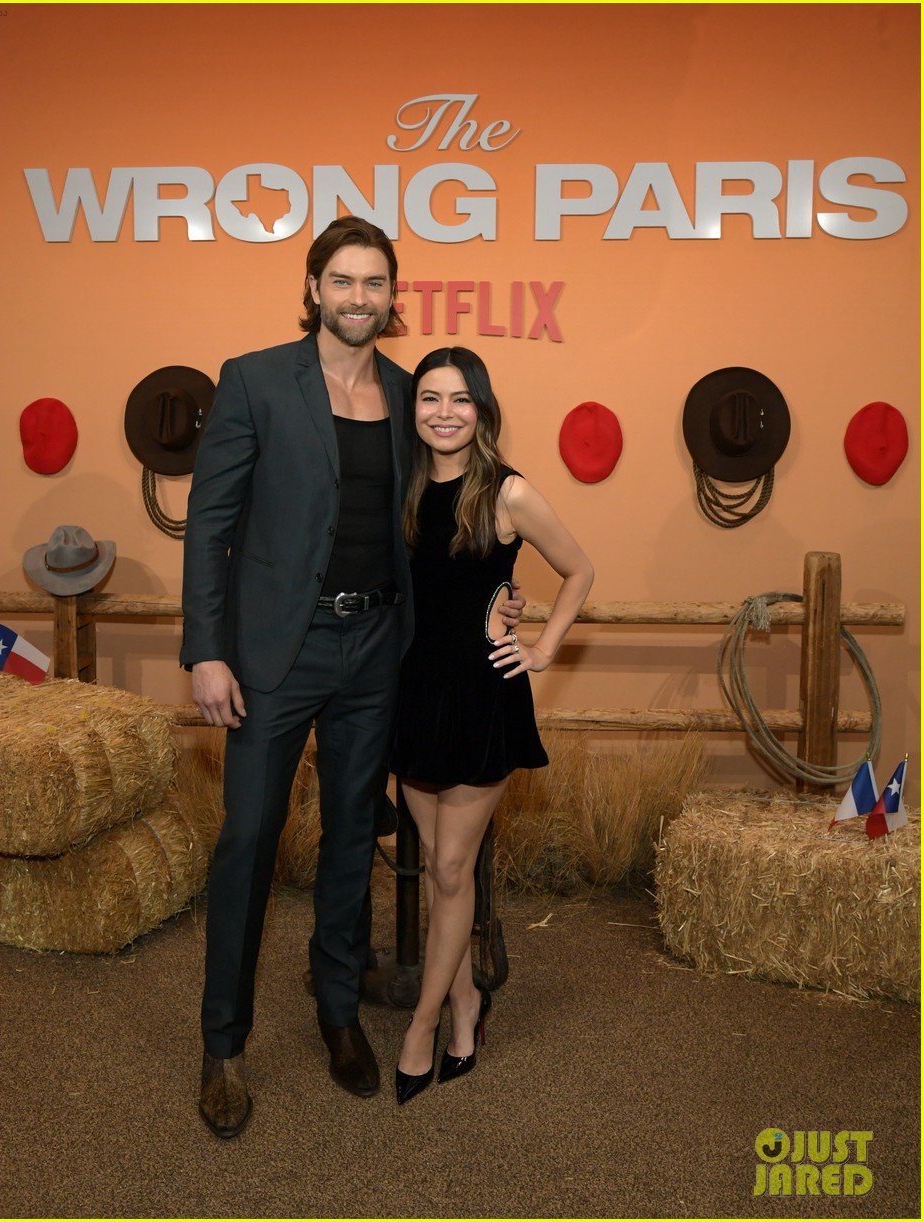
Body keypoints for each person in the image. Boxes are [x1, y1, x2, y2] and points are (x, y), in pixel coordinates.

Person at [181, 218, 524, 1136]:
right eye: (343, 280)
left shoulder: (413, 395)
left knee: (349, 843)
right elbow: (211, 523)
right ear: (313, 287)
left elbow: (454, 513)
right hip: (272, 655)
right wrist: (206, 650)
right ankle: (223, 1046)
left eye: (374, 283)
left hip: (377, 652)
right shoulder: (254, 379)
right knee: (248, 840)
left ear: (391, 295)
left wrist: (498, 594)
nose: (358, 297)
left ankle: (337, 1014)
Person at [389, 346, 593, 1104]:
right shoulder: (401, 488)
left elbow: (579, 569)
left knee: (449, 868)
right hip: (411, 696)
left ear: (482, 409)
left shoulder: (507, 493)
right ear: (413, 410)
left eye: (459, 399)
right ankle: (466, 998)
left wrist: (541, 648)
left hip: (480, 697)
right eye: (429, 398)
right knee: (437, 867)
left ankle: (423, 1027)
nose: (444, 413)